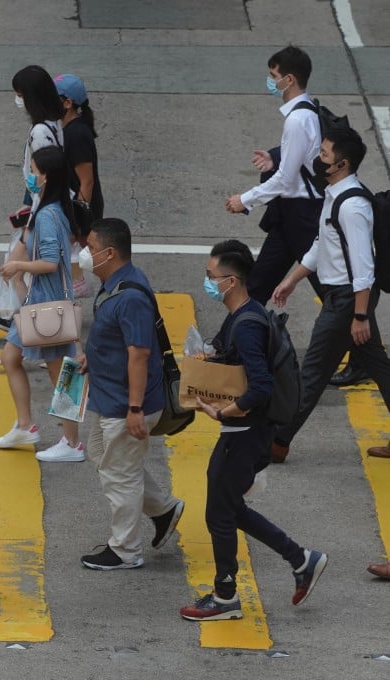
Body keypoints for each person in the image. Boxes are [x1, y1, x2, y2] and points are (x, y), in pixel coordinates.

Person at [179, 240, 327, 621]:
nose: (207, 282)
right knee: (228, 507)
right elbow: (235, 362)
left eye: (211, 276)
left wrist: (226, 410)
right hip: (246, 431)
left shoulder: (245, 323)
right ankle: (301, 559)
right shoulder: (244, 313)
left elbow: (259, 385)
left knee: (218, 513)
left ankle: (226, 596)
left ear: (231, 281)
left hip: (244, 431)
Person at [271, 127, 390, 463]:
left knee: (312, 373)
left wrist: (360, 316)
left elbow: (364, 268)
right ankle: (278, 438)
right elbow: (323, 244)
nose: (318, 158)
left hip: (347, 301)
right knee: (379, 368)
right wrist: (292, 279)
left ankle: (277, 442)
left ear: (342, 163)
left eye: (324, 154)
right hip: (345, 298)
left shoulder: (352, 206)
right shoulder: (335, 194)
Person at [75, 218, 184, 570]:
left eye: (90, 248)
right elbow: (118, 341)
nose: (85, 254)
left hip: (126, 405)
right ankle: (163, 508)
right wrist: (93, 357)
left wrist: (135, 409)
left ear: (109, 253)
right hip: (109, 400)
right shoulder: (115, 283)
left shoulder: (131, 296)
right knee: (101, 454)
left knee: (119, 475)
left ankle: (125, 550)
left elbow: (139, 354)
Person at [0, 147, 84, 462]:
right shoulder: (50, 208)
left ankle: (72, 444)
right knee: (10, 357)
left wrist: (18, 267)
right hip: (39, 302)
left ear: (45, 176)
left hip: (47, 305)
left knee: (63, 375)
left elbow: (49, 263)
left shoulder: (48, 214)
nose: (29, 176)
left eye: (33, 170)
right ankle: (25, 425)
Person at [225, 46, 323, 304]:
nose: (270, 81)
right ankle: (230, 343)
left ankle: (365, 341)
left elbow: (284, 179)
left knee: (330, 292)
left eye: (273, 75)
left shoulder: (297, 119)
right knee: (258, 285)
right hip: (291, 216)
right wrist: (275, 156)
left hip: (305, 217)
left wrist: (245, 201)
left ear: (288, 79)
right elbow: (303, 154)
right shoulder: (307, 110)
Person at [0, 65, 65, 332]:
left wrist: (29, 223)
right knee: (20, 273)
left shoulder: (41, 133)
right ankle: (23, 330)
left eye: (20, 95)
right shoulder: (54, 122)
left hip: (42, 211)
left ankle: (33, 332)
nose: (18, 101)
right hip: (41, 208)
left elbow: (45, 178)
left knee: (17, 272)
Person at [56, 73, 102, 298]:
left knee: (85, 264)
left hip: (79, 214)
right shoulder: (67, 129)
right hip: (70, 210)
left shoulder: (77, 134)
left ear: (68, 103)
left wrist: (76, 224)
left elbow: (87, 181)